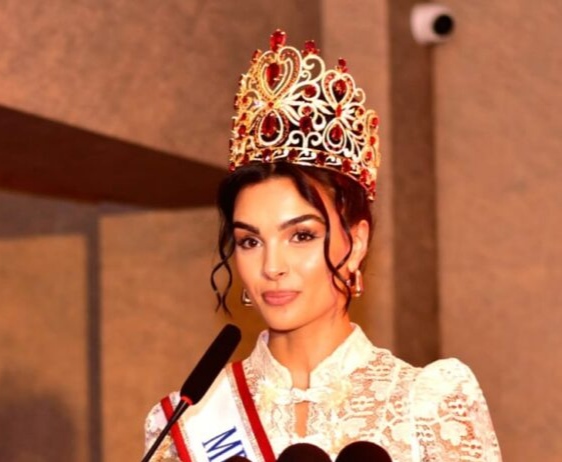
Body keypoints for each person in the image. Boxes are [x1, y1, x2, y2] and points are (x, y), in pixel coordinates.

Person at [144, 30, 502, 462]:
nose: (272, 266)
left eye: (301, 235)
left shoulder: (425, 404)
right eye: (250, 240)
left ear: (356, 243)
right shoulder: (187, 422)